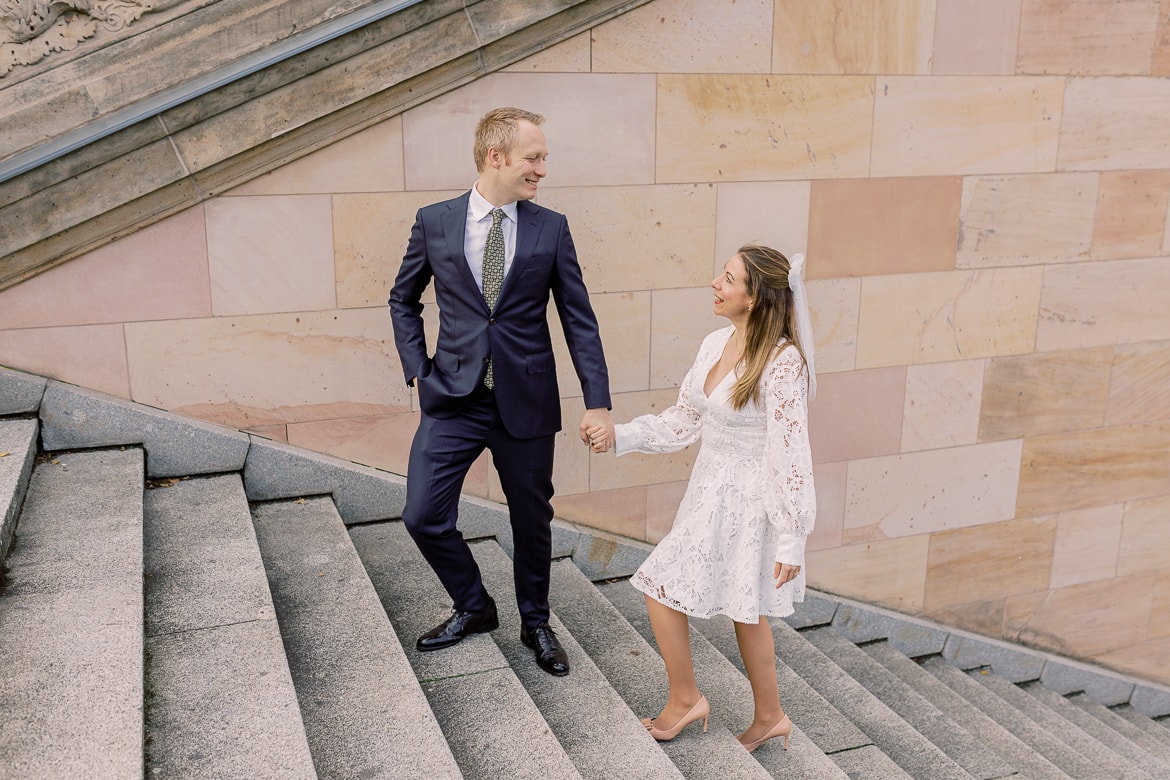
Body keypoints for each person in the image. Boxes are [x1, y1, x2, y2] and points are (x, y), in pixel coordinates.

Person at [388, 107, 614, 677]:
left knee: (531, 520)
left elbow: (578, 320)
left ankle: (535, 620)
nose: (542, 170)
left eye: (542, 159)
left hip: (527, 402)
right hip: (454, 398)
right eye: (534, 158)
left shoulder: (551, 228)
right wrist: (419, 368)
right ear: (497, 156)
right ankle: (474, 606)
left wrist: (598, 402)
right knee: (422, 514)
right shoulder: (434, 221)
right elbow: (403, 298)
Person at [588, 244, 816, 751]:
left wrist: (791, 538)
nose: (715, 283)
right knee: (745, 607)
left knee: (665, 585)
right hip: (709, 489)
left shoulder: (784, 364)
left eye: (729, 278)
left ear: (754, 298)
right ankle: (769, 715)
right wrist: (620, 436)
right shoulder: (716, 342)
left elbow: (790, 453)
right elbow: (685, 420)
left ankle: (686, 699)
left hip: (752, 501)